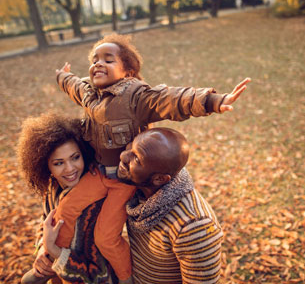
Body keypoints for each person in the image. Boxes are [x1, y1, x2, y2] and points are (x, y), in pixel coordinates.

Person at [53, 33, 250, 282]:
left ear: (128, 72)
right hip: (97, 173)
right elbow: (73, 85)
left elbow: (172, 99)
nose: (98, 64)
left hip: (123, 181)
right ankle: (52, 261)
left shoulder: (136, 97)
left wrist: (212, 101)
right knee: (65, 209)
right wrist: (61, 75)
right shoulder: (89, 94)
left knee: (105, 235)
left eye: (108, 59)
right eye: (94, 60)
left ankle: (123, 278)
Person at [48, 127, 223, 283]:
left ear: (160, 179)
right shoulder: (139, 187)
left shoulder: (193, 225)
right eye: (131, 147)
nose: (123, 156)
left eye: (137, 159)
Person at [17, 112, 117, 284]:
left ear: (84, 153)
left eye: (75, 157)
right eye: (58, 163)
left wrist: (55, 251)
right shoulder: (52, 187)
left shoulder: (95, 203)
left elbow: (99, 275)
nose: (70, 169)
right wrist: (41, 247)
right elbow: (46, 221)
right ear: (45, 165)